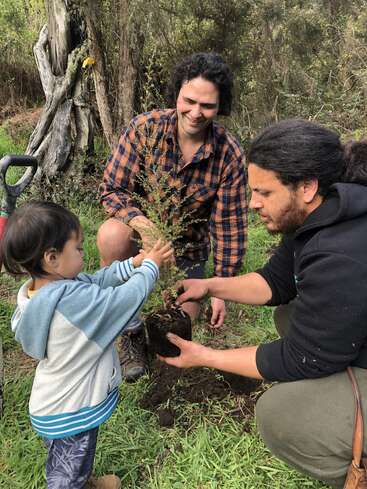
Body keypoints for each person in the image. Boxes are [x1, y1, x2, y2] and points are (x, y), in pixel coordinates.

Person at [160, 119, 367, 489]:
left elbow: (299, 357)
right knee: (290, 315)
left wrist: (204, 356)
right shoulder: (320, 213)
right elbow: (276, 281)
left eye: (263, 193)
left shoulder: (341, 252)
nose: (252, 203)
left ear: (306, 187)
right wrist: (209, 285)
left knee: (277, 415)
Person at [0, 201, 173, 489]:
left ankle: (84, 482)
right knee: (66, 475)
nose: (84, 252)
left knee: (72, 462)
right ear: (52, 258)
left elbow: (92, 282)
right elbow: (122, 301)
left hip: (55, 404)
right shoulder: (71, 304)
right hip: (71, 411)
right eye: (78, 248)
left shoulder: (41, 293)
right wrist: (150, 268)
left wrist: (131, 264)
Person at [98, 52, 247, 382]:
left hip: (187, 251)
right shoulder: (145, 130)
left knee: (180, 324)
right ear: (176, 94)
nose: (195, 113)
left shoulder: (228, 153)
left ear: (219, 106)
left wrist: (221, 288)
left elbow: (229, 226)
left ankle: (163, 346)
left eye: (207, 106)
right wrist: (142, 222)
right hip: (142, 239)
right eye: (189, 100)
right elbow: (112, 189)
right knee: (111, 235)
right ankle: (131, 331)